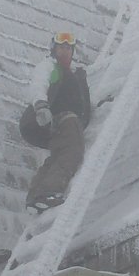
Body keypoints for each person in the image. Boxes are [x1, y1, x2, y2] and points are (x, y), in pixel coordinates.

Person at [24, 30, 93, 211]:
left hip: (61, 124)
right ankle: (49, 191)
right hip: (64, 119)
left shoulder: (74, 74)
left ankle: (36, 194)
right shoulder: (50, 66)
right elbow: (39, 83)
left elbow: (85, 102)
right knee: (73, 151)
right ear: (54, 49)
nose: (65, 51)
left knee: (58, 157)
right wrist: (40, 105)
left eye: (68, 48)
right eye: (61, 48)